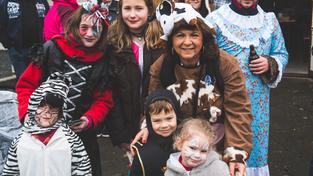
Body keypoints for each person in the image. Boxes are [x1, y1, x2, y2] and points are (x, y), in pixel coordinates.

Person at [132, 1, 252, 176]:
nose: (187, 42)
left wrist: (236, 154)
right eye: (180, 35)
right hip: (177, 147)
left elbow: (238, 110)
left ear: (203, 38)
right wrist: (147, 126)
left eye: (194, 35)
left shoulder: (225, 64)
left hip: (214, 147)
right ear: (171, 40)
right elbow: (153, 105)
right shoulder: (162, 66)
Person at [15, 1, 113, 175]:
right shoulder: (52, 48)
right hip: (42, 133)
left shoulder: (103, 59)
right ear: (75, 26)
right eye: (84, 27)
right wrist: (27, 115)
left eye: (96, 29)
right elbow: (25, 86)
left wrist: (89, 119)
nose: (90, 34)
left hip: (81, 137)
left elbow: (103, 99)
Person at [206, 0, 288, 175]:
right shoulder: (215, 20)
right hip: (225, 104)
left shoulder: (269, 21)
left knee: (255, 153)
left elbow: (281, 53)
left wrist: (270, 63)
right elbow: (204, 59)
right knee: (224, 154)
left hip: (258, 106)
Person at [2, 73, 92, 176]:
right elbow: (11, 171)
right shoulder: (20, 141)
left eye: (53, 108)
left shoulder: (71, 140)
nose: (47, 113)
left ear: (61, 112)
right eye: (41, 106)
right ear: (33, 105)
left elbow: (83, 170)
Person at [105, 0, 163, 150]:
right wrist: (120, 135)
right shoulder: (113, 42)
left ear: (149, 10)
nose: (132, 15)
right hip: (126, 122)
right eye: (127, 8)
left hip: (157, 121)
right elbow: (111, 93)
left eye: (138, 8)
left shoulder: (161, 41)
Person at [130, 89, 181, 176]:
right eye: (157, 120)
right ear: (149, 121)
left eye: (169, 118)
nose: (164, 125)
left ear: (177, 115)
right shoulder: (142, 153)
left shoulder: (188, 143)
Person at [0, 0, 49, 79]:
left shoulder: (41, 2)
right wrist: (9, 44)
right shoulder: (6, 2)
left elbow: (48, 20)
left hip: (39, 50)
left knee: (41, 80)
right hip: (18, 51)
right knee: (23, 81)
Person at [165, 118, 229, 176]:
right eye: (192, 148)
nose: (197, 155)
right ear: (179, 144)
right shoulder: (171, 171)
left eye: (203, 151)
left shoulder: (218, 169)